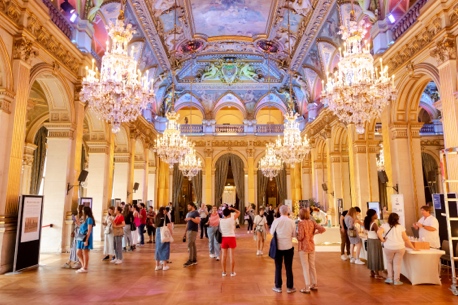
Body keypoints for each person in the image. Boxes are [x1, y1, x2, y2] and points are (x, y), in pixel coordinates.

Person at [378, 213, 418, 285]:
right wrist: (413, 247)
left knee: (389, 262)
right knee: (397, 264)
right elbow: (406, 239)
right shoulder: (400, 227)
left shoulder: (384, 225)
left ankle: (390, 278)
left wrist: (382, 240)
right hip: (400, 247)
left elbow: (378, 232)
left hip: (389, 247)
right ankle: (396, 280)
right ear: (397, 219)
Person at [297, 208, 326, 294]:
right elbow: (323, 229)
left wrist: (296, 236)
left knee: (305, 267)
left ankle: (307, 286)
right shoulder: (312, 222)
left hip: (303, 247)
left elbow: (301, 237)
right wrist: (313, 234)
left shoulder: (301, 223)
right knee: (312, 266)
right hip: (311, 245)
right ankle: (314, 284)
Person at [270, 205, 296, 294]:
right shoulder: (291, 222)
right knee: (289, 267)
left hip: (278, 247)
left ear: (280, 212)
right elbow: (294, 234)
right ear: (288, 212)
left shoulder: (276, 221)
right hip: (288, 246)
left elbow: (271, 232)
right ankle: (290, 287)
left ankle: (278, 286)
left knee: (278, 267)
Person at [220, 206, 240, 276]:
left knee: (223, 256)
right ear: (229, 214)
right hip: (231, 237)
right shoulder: (232, 219)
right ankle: (232, 272)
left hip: (224, 238)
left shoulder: (221, 220)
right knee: (232, 256)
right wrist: (232, 209)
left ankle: (224, 272)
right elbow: (238, 212)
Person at [363, 209, 384, 279]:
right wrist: (382, 239)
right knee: (376, 256)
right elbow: (378, 233)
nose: (377, 215)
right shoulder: (374, 224)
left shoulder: (367, 223)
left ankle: (372, 271)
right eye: (375, 214)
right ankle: (377, 274)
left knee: (371, 256)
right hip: (375, 241)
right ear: (373, 215)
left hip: (370, 240)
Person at [75, 206, 95, 273]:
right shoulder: (85, 219)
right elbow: (81, 227)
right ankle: (83, 266)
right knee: (78, 252)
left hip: (85, 237)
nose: (82, 212)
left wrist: (86, 240)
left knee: (85, 252)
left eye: (83, 210)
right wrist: (77, 222)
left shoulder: (89, 219)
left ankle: (85, 267)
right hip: (81, 237)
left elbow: (89, 230)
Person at [62, 205, 83, 269]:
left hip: (80, 234)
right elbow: (77, 225)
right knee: (74, 247)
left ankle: (78, 262)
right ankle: (70, 261)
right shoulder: (78, 216)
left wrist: (76, 220)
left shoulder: (83, 217)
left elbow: (81, 226)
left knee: (77, 248)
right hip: (77, 233)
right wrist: (73, 231)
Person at [154, 207, 172, 271]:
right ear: (163, 210)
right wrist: (171, 233)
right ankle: (164, 265)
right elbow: (169, 225)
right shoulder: (165, 216)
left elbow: (155, 225)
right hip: (164, 232)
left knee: (158, 248)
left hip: (158, 232)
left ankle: (157, 265)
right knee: (165, 247)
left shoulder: (156, 216)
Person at [184, 203, 201, 267]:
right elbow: (188, 223)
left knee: (190, 244)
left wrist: (191, 219)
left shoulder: (196, 213)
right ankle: (194, 259)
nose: (188, 207)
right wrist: (185, 232)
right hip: (189, 230)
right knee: (193, 244)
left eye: (189, 206)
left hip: (193, 230)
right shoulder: (189, 213)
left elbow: (198, 221)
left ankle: (190, 260)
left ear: (192, 206)